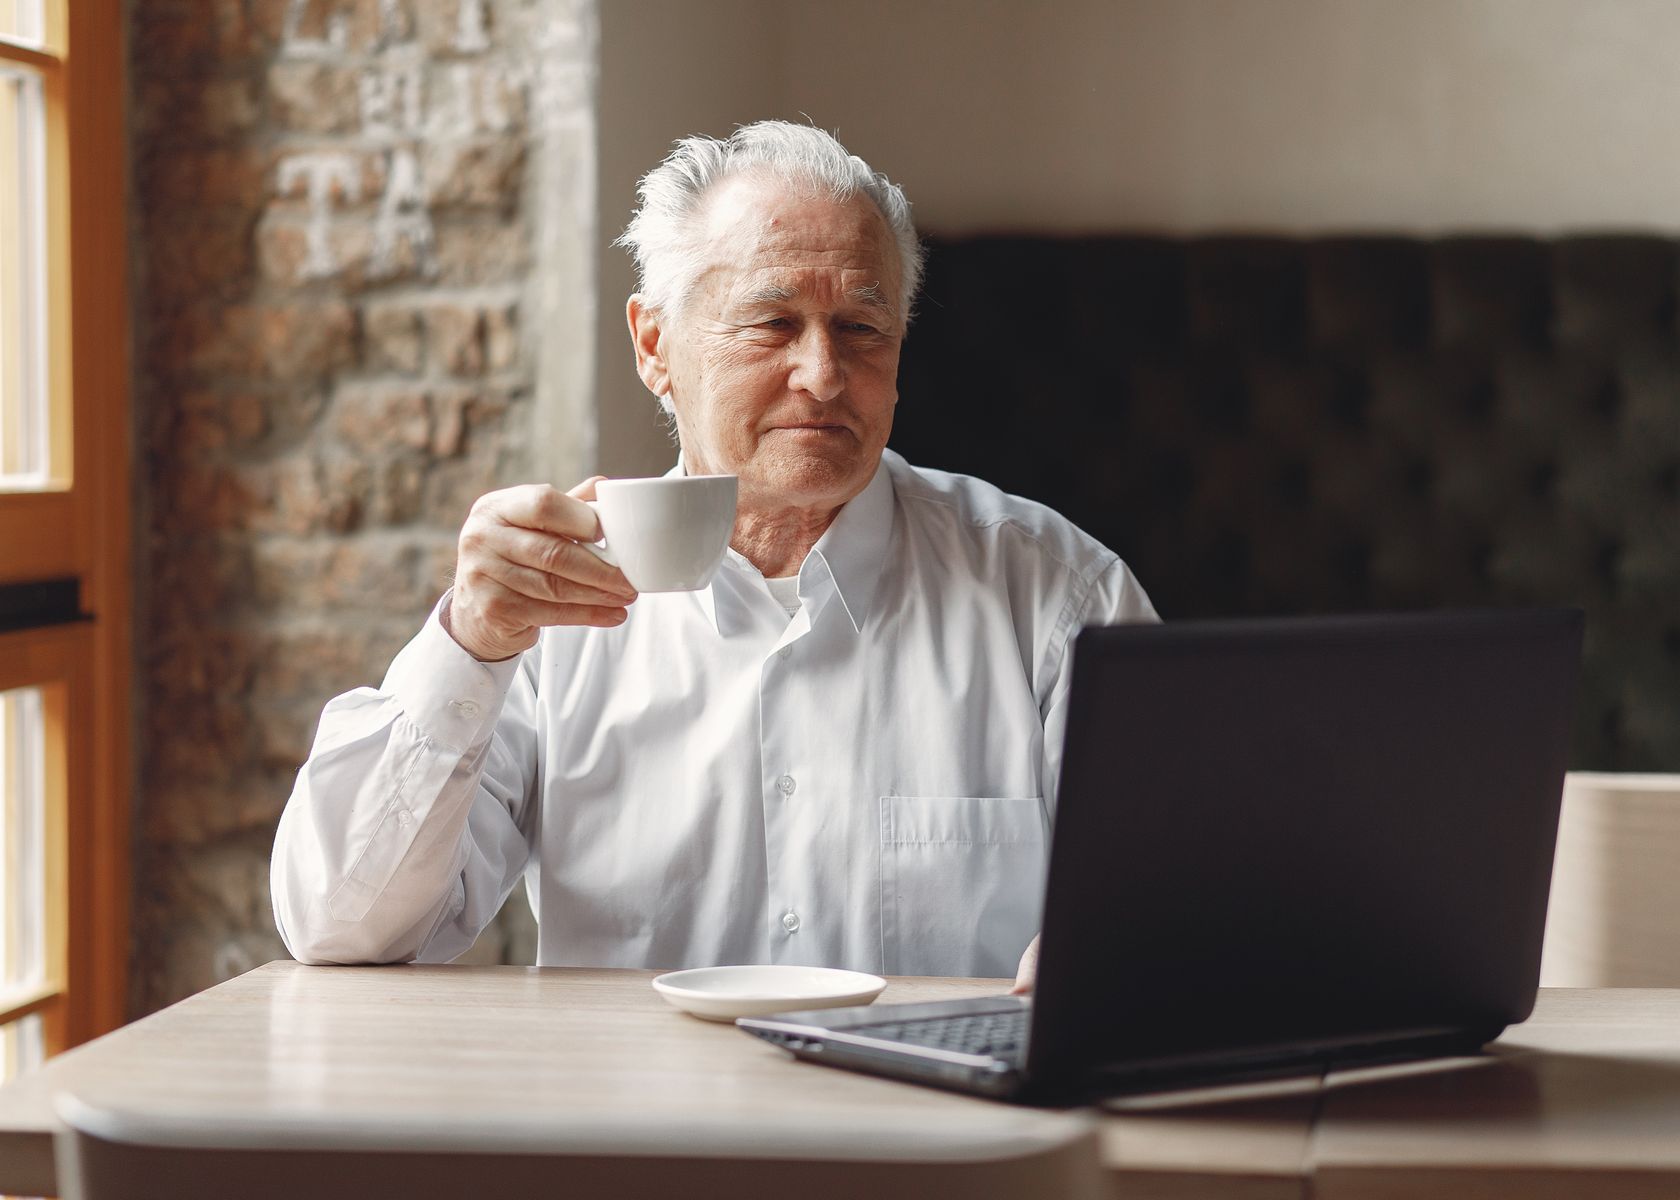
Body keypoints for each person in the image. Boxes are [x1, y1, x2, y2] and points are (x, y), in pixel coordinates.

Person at [270, 121, 1158, 987]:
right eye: (773, 324)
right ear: (655, 346)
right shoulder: (551, 608)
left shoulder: (1056, 595)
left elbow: (1183, 904)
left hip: (940, 1127)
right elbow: (343, 927)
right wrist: (469, 645)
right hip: (643, 1132)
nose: (821, 373)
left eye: (861, 329)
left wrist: (1124, 956)